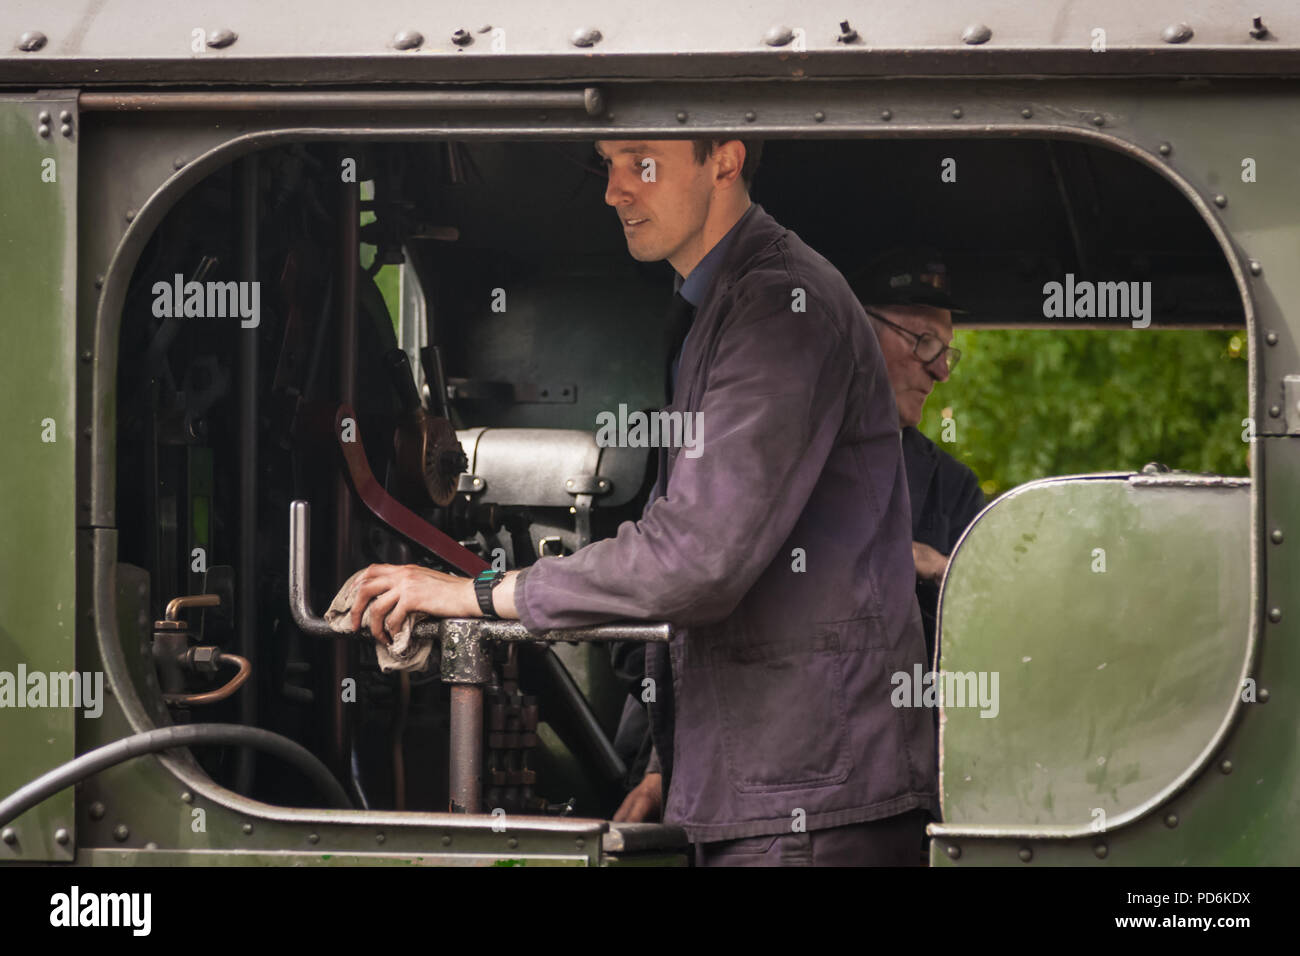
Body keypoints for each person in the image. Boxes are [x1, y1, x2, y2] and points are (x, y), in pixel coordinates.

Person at [345, 138, 937, 866]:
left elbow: (695, 558)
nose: (614, 191)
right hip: (780, 792)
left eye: (640, 161)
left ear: (723, 159)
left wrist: (479, 594)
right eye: (609, 164)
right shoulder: (720, 304)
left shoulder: (780, 306)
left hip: (807, 807)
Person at [848, 250, 985, 668]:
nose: (942, 371)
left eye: (946, 351)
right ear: (858, 331)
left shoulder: (954, 488)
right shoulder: (770, 451)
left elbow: (979, 630)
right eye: (925, 342)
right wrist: (905, 556)